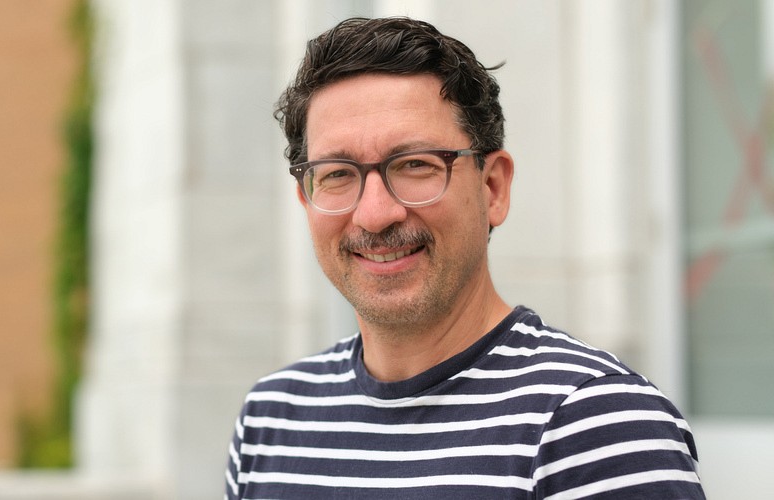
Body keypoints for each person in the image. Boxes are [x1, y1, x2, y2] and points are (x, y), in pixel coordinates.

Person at [224, 16, 704, 499]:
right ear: (307, 201)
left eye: (416, 164)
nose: (373, 215)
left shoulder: (596, 425)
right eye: (336, 173)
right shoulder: (270, 417)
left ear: (492, 187)